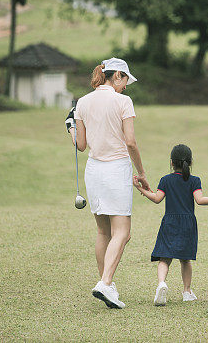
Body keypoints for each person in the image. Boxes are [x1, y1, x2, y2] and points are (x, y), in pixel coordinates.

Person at [71, 57, 149, 309]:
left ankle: (107, 284)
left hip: (93, 170)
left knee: (104, 231)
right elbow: (131, 142)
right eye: (126, 79)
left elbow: (80, 145)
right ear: (117, 76)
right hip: (116, 169)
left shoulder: (82, 102)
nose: (127, 86)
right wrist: (141, 172)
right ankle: (105, 283)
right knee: (122, 232)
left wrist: (69, 128)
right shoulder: (123, 101)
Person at [133, 144, 208, 306]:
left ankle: (162, 283)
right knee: (185, 259)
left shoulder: (165, 180)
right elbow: (200, 200)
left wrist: (140, 188)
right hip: (188, 223)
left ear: (171, 162)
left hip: (169, 222)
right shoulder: (194, 180)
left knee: (164, 258)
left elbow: (157, 198)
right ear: (190, 163)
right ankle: (186, 291)